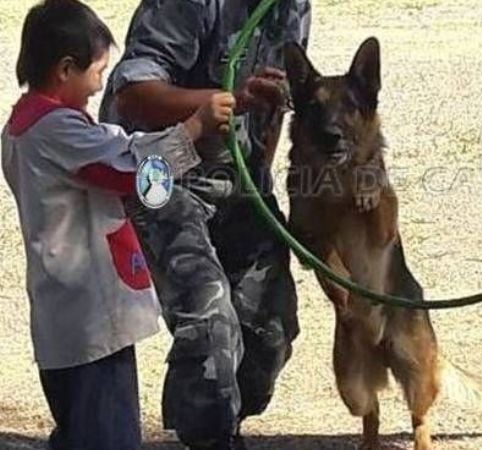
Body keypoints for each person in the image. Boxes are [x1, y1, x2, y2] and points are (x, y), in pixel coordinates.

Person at [1, 1, 234, 449]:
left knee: (80, 433)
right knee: (107, 436)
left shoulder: (28, 125)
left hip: (65, 321)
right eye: (98, 71)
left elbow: (117, 142)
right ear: (66, 69)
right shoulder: (57, 132)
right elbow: (128, 169)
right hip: (91, 323)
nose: (100, 85)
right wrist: (193, 129)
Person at [99, 1, 311, 448]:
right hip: (162, 173)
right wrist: (226, 102)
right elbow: (133, 95)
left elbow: (273, 109)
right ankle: (210, 436)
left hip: (235, 177)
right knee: (210, 318)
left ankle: (219, 417)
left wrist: (259, 178)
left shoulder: (293, 6)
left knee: (269, 328)